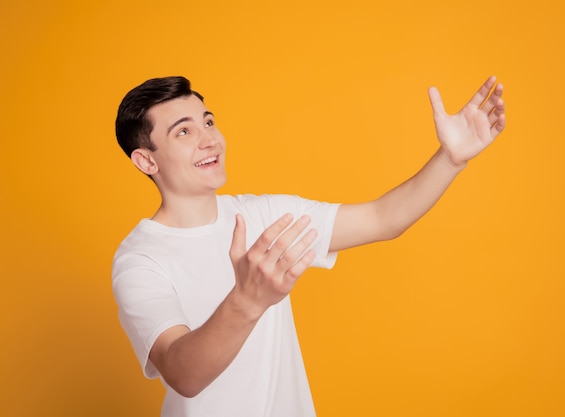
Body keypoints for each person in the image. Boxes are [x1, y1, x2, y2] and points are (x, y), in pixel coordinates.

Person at [112, 75, 506, 417]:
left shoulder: (266, 215)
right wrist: (247, 300)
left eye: (208, 121)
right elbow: (183, 374)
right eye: (184, 131)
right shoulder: (140, 260)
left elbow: (383, 219)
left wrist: (450, 159)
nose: (209, 139)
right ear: (147, 161)